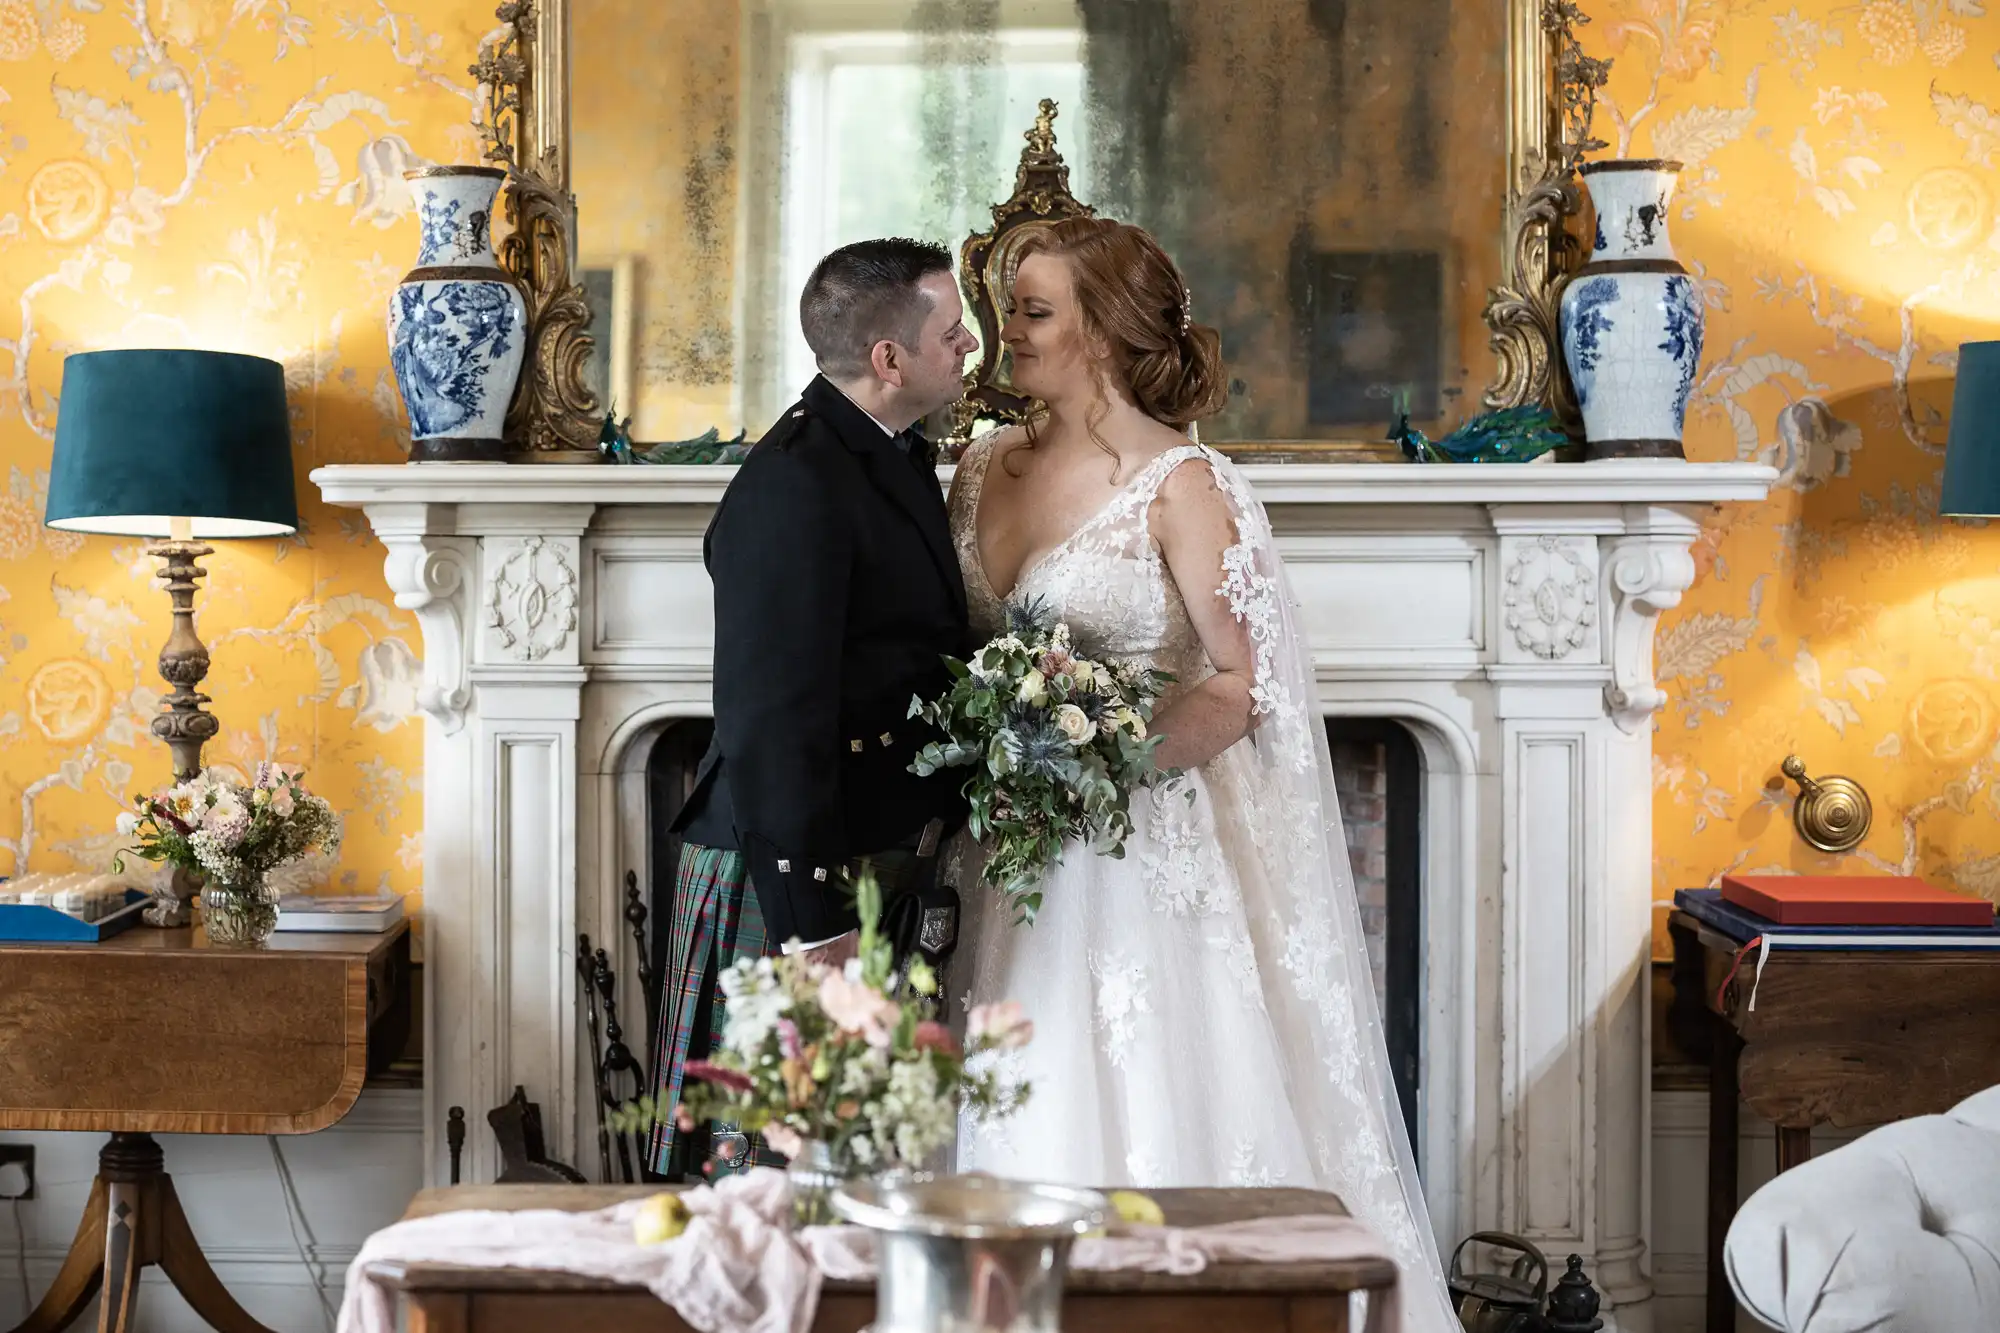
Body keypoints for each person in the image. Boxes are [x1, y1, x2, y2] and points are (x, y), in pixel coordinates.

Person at [947, 217, 1458, 1328]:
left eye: (1031, 311)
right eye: (1004, 309)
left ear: (1102, 331)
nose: (1003, 332)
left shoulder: (1183, 484)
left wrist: (1100, 762)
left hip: (1134, 858)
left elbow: (1242, 682)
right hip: (996, 854)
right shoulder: (982, 464)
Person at [649, 237, 979, 1178]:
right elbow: (769, 724)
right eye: (952, 332)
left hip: (860, 854)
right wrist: (809, 926)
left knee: (849, 1167)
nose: (969, 346)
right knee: (763, 1177)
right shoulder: (798, 481)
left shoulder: (880, 453)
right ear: (889, 358)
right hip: (792, 874)